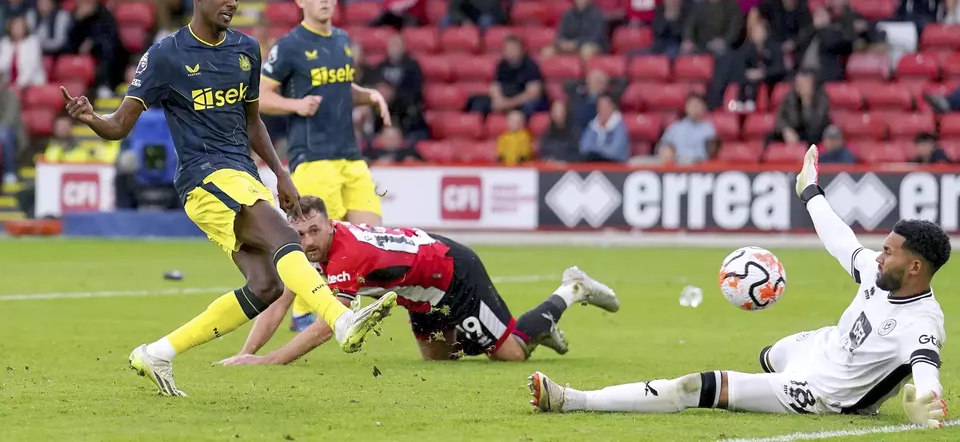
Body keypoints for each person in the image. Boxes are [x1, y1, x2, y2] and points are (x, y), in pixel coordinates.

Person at [59, 0, 398, 397]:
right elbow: (121, 125)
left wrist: (280, 173)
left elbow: (252, 120)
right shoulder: (167, 54)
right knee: (285, 239)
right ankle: (341, 318)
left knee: (266, 285)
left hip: (243, 174)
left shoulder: (245, 49)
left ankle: (159, 352)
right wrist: (91, 118)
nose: (232, 2)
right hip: (203, 178)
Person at [530, 145, 949, 431]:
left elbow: (927, 369)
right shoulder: (879, 278)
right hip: (818, 348)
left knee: (694, 387)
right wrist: (810, 191)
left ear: (915, 267)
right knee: (767, 355)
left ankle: (571, 399)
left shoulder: (922, 322)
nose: (877, 256)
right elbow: (842, 241)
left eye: (888, 252)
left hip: (818, 392)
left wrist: (924, 401)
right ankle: (773, 369)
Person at [218, 196, 620, 365]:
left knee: (509, 355)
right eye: (300, 233)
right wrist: (246, 354)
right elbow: (283, 299)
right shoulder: (314, 248)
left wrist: (269, 362)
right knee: (439, 363)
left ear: (329, 224)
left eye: (314, 232)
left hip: (452, 274)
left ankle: (571, 290)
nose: (307, 242)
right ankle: (529, 332)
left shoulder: (347, 253)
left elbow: (329, 326)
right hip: (418, 294)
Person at [259, 0, 393, 328]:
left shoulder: (341, 41)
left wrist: (370, 96)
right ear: (300, 0)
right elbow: (259, 96)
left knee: (371, 240)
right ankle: (304, 314)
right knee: (315, 244)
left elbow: (340, 88)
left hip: (351, 156)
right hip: (313, 157)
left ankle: (346, 309)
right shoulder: (289, 46)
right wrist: (295, 105)